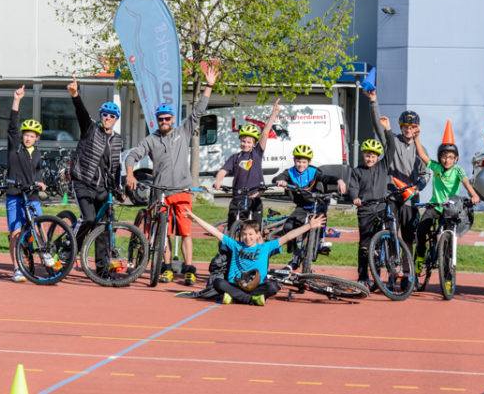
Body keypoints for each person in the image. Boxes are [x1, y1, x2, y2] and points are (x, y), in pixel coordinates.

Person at [125, 64, 220, 286]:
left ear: (173, 119)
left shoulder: (182, 132)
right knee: (164, 233)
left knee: (185, 233)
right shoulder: (151, 139)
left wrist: (209, 86)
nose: (164, 122)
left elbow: (198, 112)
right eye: (161, 119)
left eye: (168, 119)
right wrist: (130, 174)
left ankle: (189, 268)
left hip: (182, 191)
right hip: (161, 194)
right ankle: (166, 267)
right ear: (156, 121)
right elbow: (132, 156)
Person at [184, 208, 326, 306]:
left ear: (258, 235)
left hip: (256, 286)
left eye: (251, 234)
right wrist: (194, 217)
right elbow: (215, 232)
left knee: (273, 286)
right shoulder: (236, 245)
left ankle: (235, 298)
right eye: (245, 234)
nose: (247, 237)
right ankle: (251, 300)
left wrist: (309, 226)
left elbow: (288, 236)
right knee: (218, 283)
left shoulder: (265, 247)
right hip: (236, 284)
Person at [66, 76, 124, 278]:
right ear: (101, 116)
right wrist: (75, 95)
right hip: (83, 182)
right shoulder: (90, 129)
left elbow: (115, 167)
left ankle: (102, 269)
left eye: (112, 116)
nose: (107, 118)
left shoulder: (118, 141)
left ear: (116, 120)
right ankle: (68, 248)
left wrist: (119, 189)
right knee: (89, 218)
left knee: (104, 228)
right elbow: (81, 113)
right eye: (105, 115)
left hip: (103, 189)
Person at [412, 121, 480, 285]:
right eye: (443, 156)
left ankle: (448, 277)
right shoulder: (436, 167)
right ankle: (420, 257)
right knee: (421, 231)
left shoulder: (458, 170)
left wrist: (474, 195)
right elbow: (422, 155)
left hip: (450, 208)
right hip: (435, 206)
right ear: (439, 157)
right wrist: (416, 138)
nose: (447, 160)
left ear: (456, 158)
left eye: (450, 157)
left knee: (449, 244)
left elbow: (466, 183)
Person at [364, 90, 429, 248]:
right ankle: (393, 266)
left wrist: (418, 187)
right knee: (390, 232)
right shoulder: (392, 141)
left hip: (409, 198)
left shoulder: (421, 150)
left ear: (417, 128)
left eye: (412, 127)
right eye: (405, 126)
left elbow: (425, 174)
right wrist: (373, 101)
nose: (408, 129)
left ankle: (407, 270)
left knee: (408, 238)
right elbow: (378, 127)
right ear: (401, 127)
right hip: (391, 194)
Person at [272, 144, 347, 270]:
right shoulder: (290, 172)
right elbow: (277, 177)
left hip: (317, 203)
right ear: (294, 160)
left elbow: (326, 178)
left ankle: (320, 241)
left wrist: (339, 180)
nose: (301, 164)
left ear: (309, 162)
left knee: (322, 216)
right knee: (289, 226)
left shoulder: (314, 172)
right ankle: (295, 252)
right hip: (302, 206)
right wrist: (280, 181)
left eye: (304, 162)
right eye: (298, 161)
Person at [213, 98, 281, 230]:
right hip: (237, 197)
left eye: (249, 142)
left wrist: (274, 114)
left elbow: (265, 133)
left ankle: (259, 246)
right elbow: (222, 171)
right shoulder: (235, 157)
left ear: (254, 144)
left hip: (254, 196)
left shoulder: (256, 153)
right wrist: (218, 181)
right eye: (244, 141)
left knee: (256, 230)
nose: (246, 144)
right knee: (232, 227)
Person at [5, 85, 49, 282]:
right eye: (26, 135)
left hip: (31, 196)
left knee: (39, 228)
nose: (28, 138)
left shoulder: (38, 153)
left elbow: (37, 173)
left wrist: (41, 183)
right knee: (15, 232)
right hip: (14, 194)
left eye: (32, 136)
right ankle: (17, 268)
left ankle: (46, 255)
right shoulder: (15, 148)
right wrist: (17, 101)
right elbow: (12, 125)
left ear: (36, 138)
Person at [349, 128, 393, 285]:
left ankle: (390, 271)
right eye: (367, 155)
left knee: (386, 239)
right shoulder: (357, 171)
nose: (370, 158)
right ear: (363, 155)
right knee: (365, 245)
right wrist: (355, 198)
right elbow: (353, 187)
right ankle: (362, 276)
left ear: (378, 157)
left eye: (373, 156)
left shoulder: (382, 166)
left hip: (381, 208)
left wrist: (388, 132)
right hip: (365, 210)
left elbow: (391, 148)